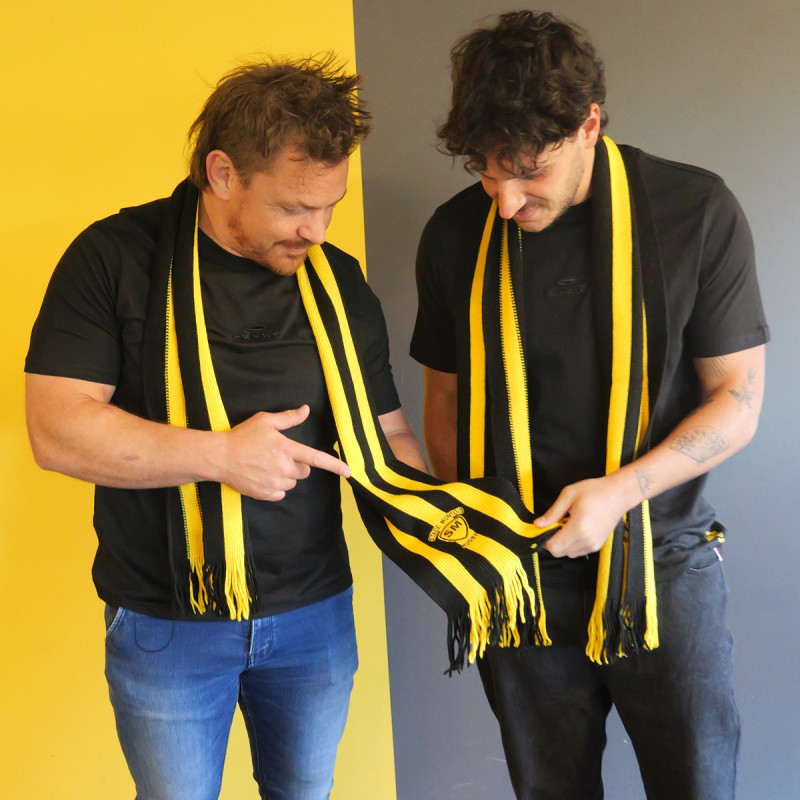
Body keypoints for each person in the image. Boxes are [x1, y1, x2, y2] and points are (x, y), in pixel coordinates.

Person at [25, 56, 425, 800]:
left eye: (330, 205)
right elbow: (55, 430)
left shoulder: (337, 280)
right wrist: (220, 456)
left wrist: (455, 522)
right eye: (293, 207)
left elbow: (388, 433)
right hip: (166, 622)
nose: (316, 230)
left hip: (314, 615)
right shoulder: (113, 258)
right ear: (222, 173)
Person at [411, 10, 768, 800]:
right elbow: (446, 395)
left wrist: (619, 494)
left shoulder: (694, 210)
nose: (506, 200)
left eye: (528, 172)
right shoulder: (454, 234)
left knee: (699, 786)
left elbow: (738, 399)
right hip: (519, 570)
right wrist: (477, 530)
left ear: (589, 125)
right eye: (486, 171)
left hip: (662, 562)